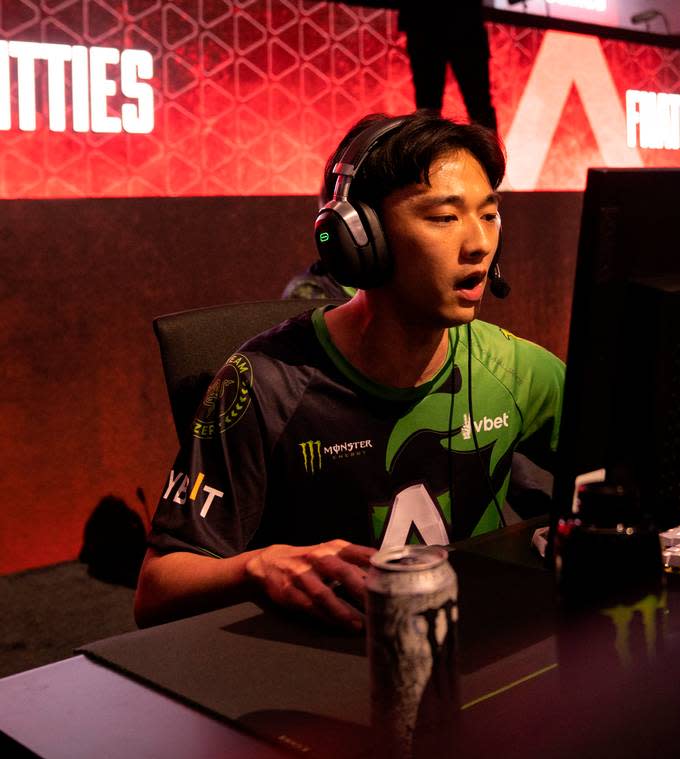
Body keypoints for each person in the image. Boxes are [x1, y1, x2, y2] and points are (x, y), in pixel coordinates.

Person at [135, 111, 564, 630]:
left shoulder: (515, 367)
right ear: (359, 239)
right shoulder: (265, 385)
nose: (478, 244)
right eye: (444, 218)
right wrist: (255, 566)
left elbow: (634, 468)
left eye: (489, 215)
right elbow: (157, 589)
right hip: (325, 670)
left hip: (485, 650)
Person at [398, 0, 498, 133]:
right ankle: (489, 151)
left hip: (435, 23)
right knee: (429, 110)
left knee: (428, 109)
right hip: (453, 23)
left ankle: (489, 151)